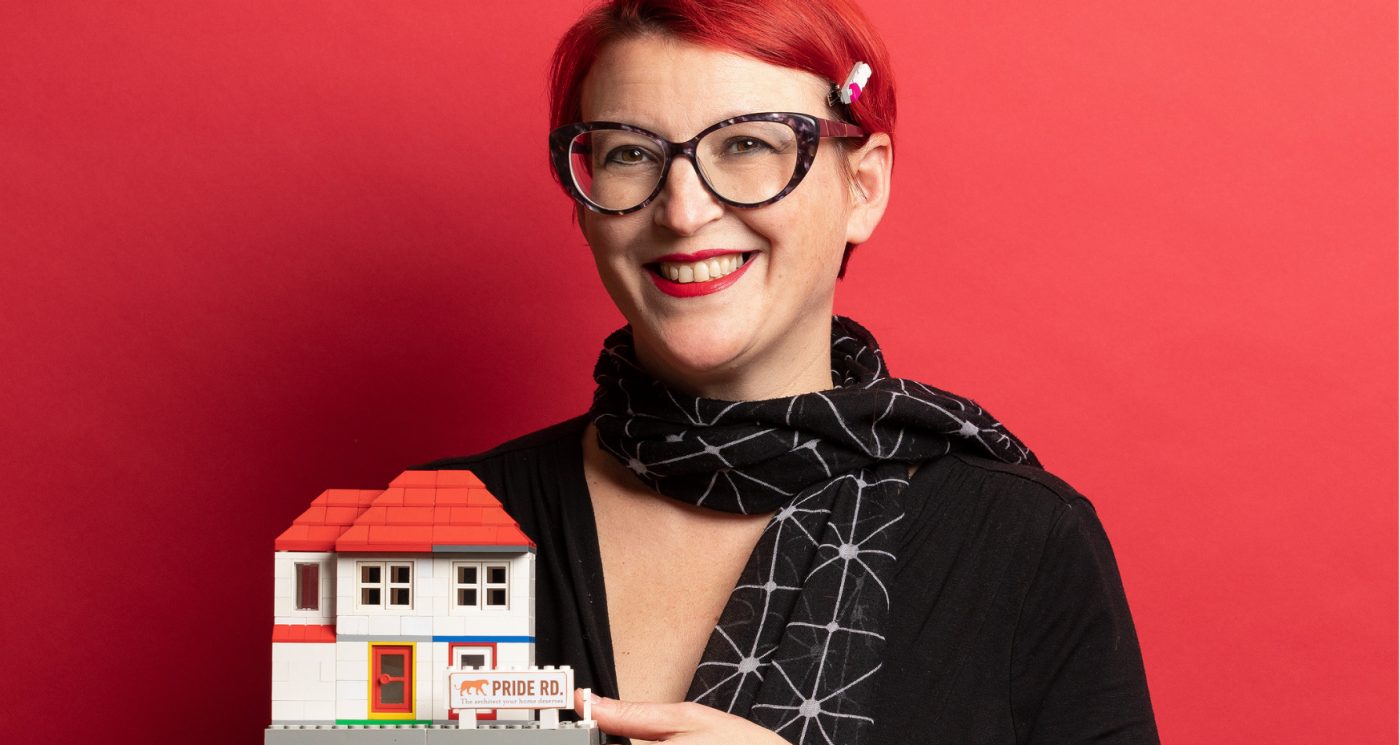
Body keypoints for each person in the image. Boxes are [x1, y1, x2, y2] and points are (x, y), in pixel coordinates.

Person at [420, 1, 1159, 743]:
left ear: (862, 187)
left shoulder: (1023, 544)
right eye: (629, 153)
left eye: (746, 144)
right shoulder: (430, 534)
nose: (682, 211)